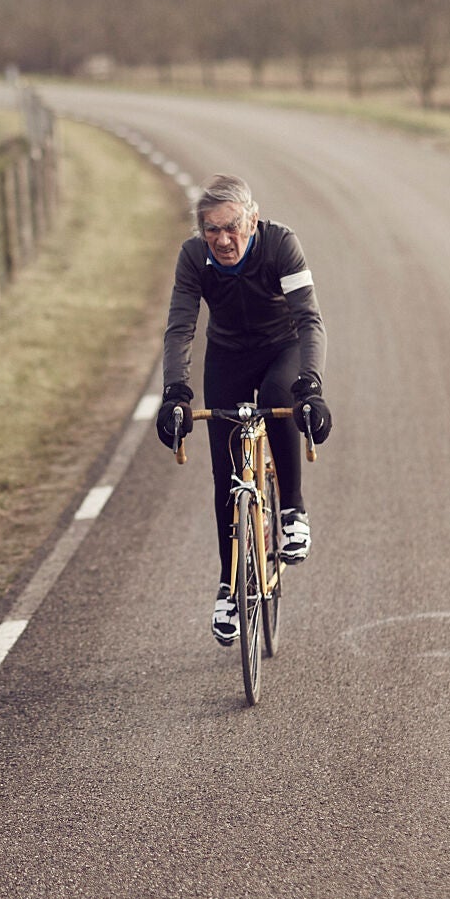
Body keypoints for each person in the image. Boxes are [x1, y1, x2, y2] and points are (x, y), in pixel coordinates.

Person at [155, 174, 332, 646]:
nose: (224, 239)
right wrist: (175, 392)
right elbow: (179, 329)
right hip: (228, 356)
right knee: (227, 474)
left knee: (278, 397)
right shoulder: (194, 258)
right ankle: (229, 588)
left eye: (232, 226)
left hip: (283, 348)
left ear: (252, 220)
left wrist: (310, 387)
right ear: (202, 232)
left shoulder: (281, 245)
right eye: (212, 229)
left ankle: (293, 508)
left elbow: (310, 320)